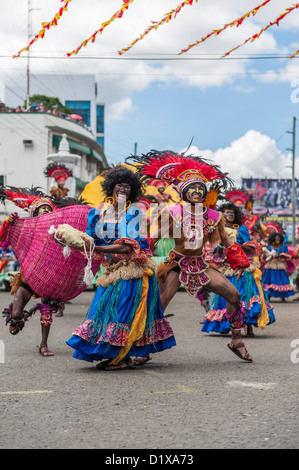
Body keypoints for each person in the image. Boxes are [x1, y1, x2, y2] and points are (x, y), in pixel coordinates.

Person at [129, 150, 253, 362]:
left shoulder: (214, 216)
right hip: (176, 265)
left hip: (201, 265)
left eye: (200, 188)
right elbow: (154, 237)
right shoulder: (173, 212)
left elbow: (227, 241)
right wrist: (139, 254)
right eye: (192, 188)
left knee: (234, 296)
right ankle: (144, 349)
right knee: (157, 305)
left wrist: (239, 262)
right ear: (184, 192)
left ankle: (236, 341)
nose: (196, 191)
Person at [64, 166, 176, 371]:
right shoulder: (98, 214)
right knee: (102, 310)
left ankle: (122, 358)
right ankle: (117, 354)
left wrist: (94, 246)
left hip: (133, 270)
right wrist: (68, 238)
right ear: (111, 189)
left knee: (121, 314)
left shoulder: (134, 214)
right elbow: (89, 239)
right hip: (112, 272)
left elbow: (127, 246)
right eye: (119, 187)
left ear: (132, 191)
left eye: (127, 188)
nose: (123, 190)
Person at [0, 186, 65, 356]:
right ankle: (18, 316)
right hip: (29, 276)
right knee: (15, 314)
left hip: (48, 277)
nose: (44, 213)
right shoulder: (27, 229)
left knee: (47, 309)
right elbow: (3, 239)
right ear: (34, 215)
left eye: (47, 211)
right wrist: (9, 223)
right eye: (41, 211)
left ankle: (43, 344)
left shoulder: (59, 232)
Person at [202, 202, 275, 337]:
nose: (230, 215)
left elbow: (250, 248)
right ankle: (226, 326)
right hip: (227, 268)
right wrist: (220, 246)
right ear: (221, 215)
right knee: (225, 298)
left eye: (232, 213)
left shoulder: (241, 228)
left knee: (246, 296)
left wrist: (236, 246)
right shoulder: (218, 230)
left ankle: (248, 327)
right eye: (226, 213)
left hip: (242, 267)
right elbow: (217, 256)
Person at [262, 232, 295, 302]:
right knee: (269, 281)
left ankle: (283, 298)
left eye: (279, 238)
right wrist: (268, 255)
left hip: (280, 266)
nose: (277, 239)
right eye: (276, 237)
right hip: (271, 266)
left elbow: (288, 256)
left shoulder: (284, 247)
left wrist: (282, 255)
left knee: (282, 281)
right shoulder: (268, 247)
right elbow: (264, 257)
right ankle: (268, 297)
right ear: (273, 238)